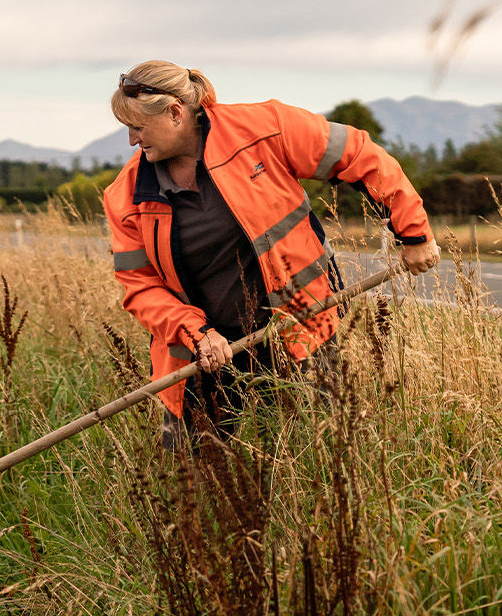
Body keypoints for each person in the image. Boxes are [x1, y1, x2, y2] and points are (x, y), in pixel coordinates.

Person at [103, 60, 440, 444]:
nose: (131, 140)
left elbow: (361, 155)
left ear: (176, 113)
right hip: (202, 353)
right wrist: (197, 334)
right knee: (197, 471)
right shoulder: (125, 195)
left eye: (138, 127)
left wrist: (413, 233)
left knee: (315, 450)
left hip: (297, 325)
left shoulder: (265, 129)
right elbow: (139, 286)